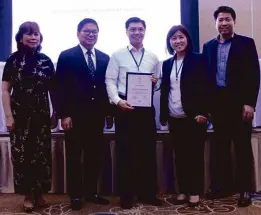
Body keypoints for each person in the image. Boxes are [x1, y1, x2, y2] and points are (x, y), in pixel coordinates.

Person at [203, 6, 260, 207]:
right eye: (220, 20)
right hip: (218, 104)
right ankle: (221, 187)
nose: (224, 23)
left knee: (242, 147)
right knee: (220, 148)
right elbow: (206, 78)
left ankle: (244, 190)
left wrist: (250, 103)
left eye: (228, 19)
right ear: (215, 23)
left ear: (234, 22)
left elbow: (254, 75)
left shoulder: (246, 43)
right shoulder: (208, 46)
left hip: (239, 104)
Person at [55, 18, 113, 210]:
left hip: (96, 117)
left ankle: (91, 192)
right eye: (87, 31)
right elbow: (60, 88)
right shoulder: (66, 56)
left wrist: (109, 114)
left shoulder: (105, 58)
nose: (91, 35)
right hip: (74, 117)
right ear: (78, 33)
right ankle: (76, 195)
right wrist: (64, 114)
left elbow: (107, 89)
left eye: (94, 31)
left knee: (94, 157)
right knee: (74, 157)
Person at [105, 17, 162, 209]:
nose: (136, 32)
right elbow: (110, 81)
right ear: (126, 31)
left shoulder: (153, 57)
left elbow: (159, 81)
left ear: (145, 31)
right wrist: (118, 101)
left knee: (147, 152)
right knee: (125, 153)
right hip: (124, 108)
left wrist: (155, 82)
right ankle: (127, 196)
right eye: (132, 29)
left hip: (145, 110)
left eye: (140, 29)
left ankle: (148, 194)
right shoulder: (117, 55)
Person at [1, 21, 57, 213]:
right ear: (20, 37)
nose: (33, 37)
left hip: (42, 116)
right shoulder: (13, 60)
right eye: (29, 34)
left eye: (36, 34)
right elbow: (5, 90)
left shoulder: (46, 61)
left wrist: (55, 112)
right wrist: (8, 117)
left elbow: (54, 91)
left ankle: (40, 193)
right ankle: (27, 194)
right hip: (20, 116)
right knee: (23, 155)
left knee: (42, 155)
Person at [160, 25, 209, 207]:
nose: (177, 41)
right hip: (174, 117)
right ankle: (183, 190)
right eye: (173, 38)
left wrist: (204, 112)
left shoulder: (199, 60)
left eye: (181, 37)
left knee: (194, 156)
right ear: (169, 42)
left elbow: (207, 87)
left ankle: (195, 191)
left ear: (187, 39)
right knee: (179, 156)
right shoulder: (166, 64)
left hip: (194, 118)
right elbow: (166, 90)